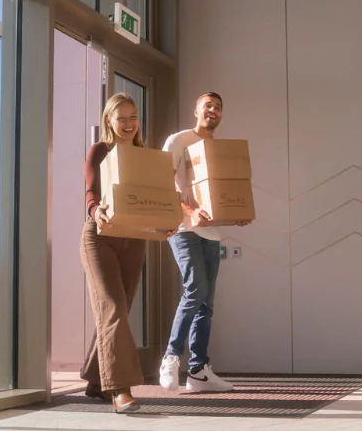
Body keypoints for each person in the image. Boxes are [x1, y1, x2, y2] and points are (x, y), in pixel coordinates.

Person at [159, 92, 249, 393]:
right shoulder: (178, 141)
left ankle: (198, 371)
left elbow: (221, 194)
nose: (213, 110)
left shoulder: (216, 151)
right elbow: (161, 185)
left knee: (206, 303)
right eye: (207, 105)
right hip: (183, 229)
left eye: (218, 107)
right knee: (196, 288)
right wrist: (189, 211)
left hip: (211, 234)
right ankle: (171, 356)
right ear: (196, 110)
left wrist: (235, 213)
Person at [80, 92, 148, 413]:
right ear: (109, 120)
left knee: (120, 309)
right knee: (113, 310)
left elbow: (154, 198)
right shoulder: (101, 150)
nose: (129, 123)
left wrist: (164, 223)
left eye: (133, 117)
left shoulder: (144, 156)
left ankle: (96, 381)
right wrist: (96, 211)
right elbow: (91, 192)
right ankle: (120, 390)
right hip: (100, 237)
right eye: (122, 118)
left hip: (134, 238)